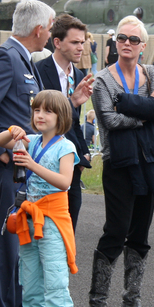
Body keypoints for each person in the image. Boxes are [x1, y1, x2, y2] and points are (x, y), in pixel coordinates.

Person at [89, 15, 154, 307]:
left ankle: (131, 300)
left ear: (144, 45)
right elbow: (109, 121)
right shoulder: (102, 80)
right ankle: (97, 302)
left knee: (140, 232)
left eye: (134, 40)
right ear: (114, 42)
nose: (127, 44)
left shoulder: (152, 72)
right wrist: (144, 111)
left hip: (148, 161)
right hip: (119, 163)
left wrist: (128, 104)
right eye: (122, 38)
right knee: (116, 229)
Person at [0, 0, 55, 307]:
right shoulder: (5, 58)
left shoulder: (24, 61)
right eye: (50, 28)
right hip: (9, 171)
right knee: (9, 246)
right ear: (38, 30)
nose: (50, 33)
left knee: (23, 245)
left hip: (24, 172)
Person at [0, 90, 79, 307]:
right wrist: (11, 131)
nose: (39, 116)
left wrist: (32, 165)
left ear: (61, 116)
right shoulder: (29, 140)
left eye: (47, 111)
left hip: (52, 220)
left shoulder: (65, 146)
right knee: (30, 286)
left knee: (55, 288)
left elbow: (65, 182)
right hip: (29, 220)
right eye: (36, 110)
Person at [36, 14, 93, 232]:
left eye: (82, 42)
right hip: (45, 162)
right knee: (47, 232)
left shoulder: (78, 74)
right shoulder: (39, 71)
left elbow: (74, 120)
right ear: (57, 42)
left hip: (70, 163)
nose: (81, 47)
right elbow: (40, 119)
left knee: (69, 229)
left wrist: (84, 151)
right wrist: (70, 102)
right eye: (75, 42)